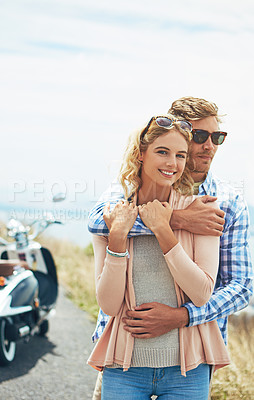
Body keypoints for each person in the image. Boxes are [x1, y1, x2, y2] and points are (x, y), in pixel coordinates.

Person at [88, 97, 253, 400]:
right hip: (121, 348)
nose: (209, 146)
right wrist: (177, 219)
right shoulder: (127, 189)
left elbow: (242, 287)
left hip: (192, 353)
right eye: (199, 136)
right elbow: (100, 222)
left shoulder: (225, 202)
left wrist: (182, 316)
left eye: (217, 137)